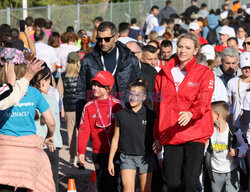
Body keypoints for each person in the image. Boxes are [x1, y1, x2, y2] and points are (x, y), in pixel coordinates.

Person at [153, 33, 215, 191]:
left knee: (190, 180)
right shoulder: (162, 74)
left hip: (195, 132)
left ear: (195, 51)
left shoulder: (204, 72)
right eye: (180, 46)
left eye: (188, 48)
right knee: (172, 181)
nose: (182, 51)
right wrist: (157, 136)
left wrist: (190, 113)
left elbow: (204, 101)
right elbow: (157, 107)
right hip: (170, 132)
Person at [0, 53, 56, 192]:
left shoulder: (2, 92)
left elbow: (11, 96)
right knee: (29, 186)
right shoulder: (34, 93)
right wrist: (50, 135)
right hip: (29, 152)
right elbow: (51, 122)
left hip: (4, 151)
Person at [75, 21, 141, 129]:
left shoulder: (130, 59)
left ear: (116, 37)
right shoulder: (88, 60)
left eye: (107, 39)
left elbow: (139, 88)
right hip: (97, 116)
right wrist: (80, 122)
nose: (103, 43)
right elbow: (81, 91)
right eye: (99, 39)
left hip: (124, 115)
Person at [78, 71, 123, 192]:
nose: (95, 88)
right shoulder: (88, 106)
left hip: (116, 152)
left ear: (108, 88)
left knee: (114, 184)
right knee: (102, 184)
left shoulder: (118, 105)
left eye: (99, 85)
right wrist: (81, 151)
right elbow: (84, 130)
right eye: (94, 84)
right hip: (98, 153)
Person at [108, 78, 155, 192]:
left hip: (145, 157)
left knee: (145, 189)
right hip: (126, 156)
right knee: (128, 189)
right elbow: (115, 138)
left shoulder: (151, 115)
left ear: (144, 97)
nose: (133, 97)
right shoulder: (121, 114)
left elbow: (156, 137)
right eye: (131, 94)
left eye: (137, 95)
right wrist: (110, 161)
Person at [31, 64, 63, 192]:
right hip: (51, 145)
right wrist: (52, 136)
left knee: (35, 182)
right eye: (49, 80)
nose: (50, 84)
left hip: (35, 144)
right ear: (43, 81)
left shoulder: (27, 98)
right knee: (52, 181)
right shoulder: (51, 100)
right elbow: (55, 123)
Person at [205, 101, 248, 192]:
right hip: (214, 171)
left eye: (209, 113)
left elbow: (245, 146)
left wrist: (237, 151)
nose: (207, 116)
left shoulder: (234, 131)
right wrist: (204, 145)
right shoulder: (209, 131)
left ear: (218, 115)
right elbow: (205, 151)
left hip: (231, 170)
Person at [57, 52, 81, 166]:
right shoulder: (82, 75)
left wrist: (61, 109)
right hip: (81, 107)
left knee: (71, 134)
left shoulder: (62, 76)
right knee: (81, 134)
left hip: (68, 108)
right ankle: (81, 156)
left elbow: (60, 94)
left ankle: (73, 157)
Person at [227, 52, 250, 127]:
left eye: (249, 67)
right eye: (244, 67)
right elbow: (229, 104)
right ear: (240, 66)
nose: (247, 70)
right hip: (236, 124)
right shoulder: (232, 82)